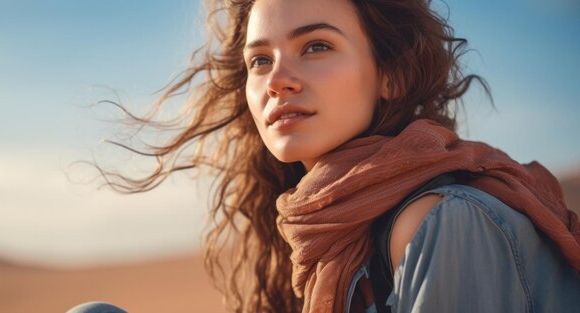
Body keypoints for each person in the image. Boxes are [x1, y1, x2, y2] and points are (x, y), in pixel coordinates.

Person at [68, 0, 580, 312]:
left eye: (316, 46)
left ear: (390, 75)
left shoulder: (442, 219)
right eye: (260, 60)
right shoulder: (323, 229)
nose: (277, 80)